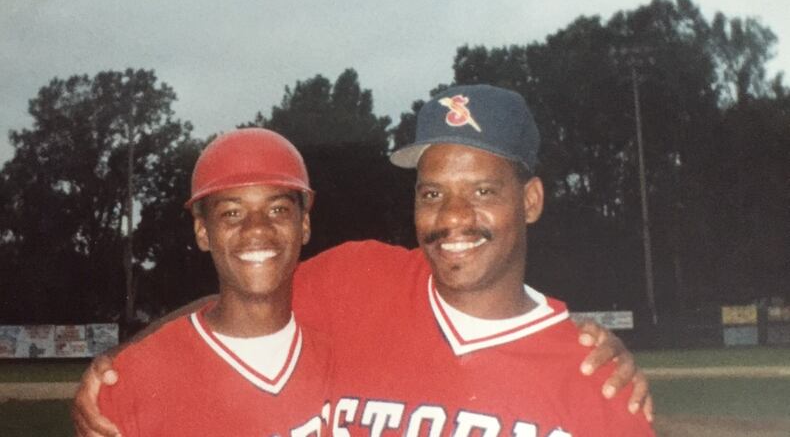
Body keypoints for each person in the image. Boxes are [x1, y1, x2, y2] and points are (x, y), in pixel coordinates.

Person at [74, 88, 653, 436]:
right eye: (432, 193)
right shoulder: (359, 279)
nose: (453, 217)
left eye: (482, 191)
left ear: (530, 201)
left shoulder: (594, 377)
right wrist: (118, 367)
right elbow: (246, 295)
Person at [96, 129, 331, 436]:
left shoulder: (343, 357)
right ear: (203, 232)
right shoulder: (135, 379)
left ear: (304, 225)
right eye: (232, 213)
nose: (257, 229)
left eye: (278, 209)